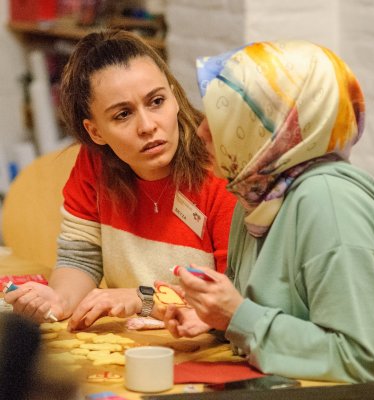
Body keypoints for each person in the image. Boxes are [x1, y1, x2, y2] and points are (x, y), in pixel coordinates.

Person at [163, 40, 374, 383]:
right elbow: (267, 312)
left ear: (272, 127)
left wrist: (237, 317)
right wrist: (215, 319)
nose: (201, 132)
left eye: (223, 116)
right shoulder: (257, 194)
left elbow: (360, 360)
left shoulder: (330, 203)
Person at [4, 29, 236, 331]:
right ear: (95, 132)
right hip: (134, 341)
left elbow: (235, 301)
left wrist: (143, 299)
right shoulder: (95, 161)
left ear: (175, 97)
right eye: (123, 114)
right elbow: (81, 258)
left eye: (156, 101)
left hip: (206, 348)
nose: (148, 126)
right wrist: (59, 299)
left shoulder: (221, 169)